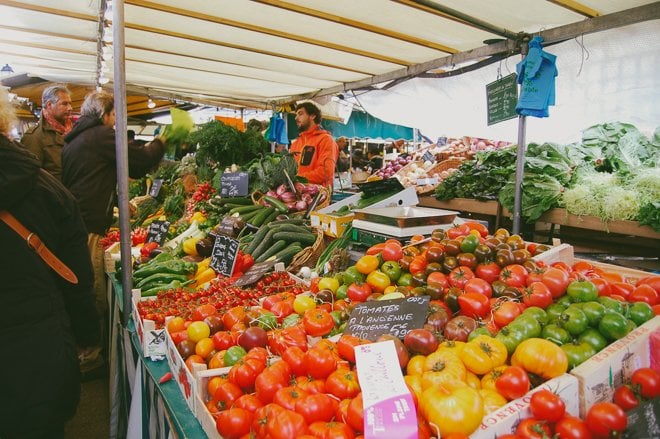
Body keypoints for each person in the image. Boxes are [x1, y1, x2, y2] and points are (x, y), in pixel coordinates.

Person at [0, 87, 100, 438]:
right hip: (37, 352)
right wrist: (88, 335)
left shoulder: (62, 147)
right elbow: (76, 278)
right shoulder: (48, 190)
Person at [62, 91, 165, 370]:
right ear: (105, 114)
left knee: (83, 283)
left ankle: (87, 346)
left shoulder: (74, 140)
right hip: (89, 225)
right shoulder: (101, 136)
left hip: (76, 222)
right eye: (113, 115)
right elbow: (140, 160)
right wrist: (161, 141)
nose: (115, 122)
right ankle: (92, 354)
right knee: (93, 285)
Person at [21, 84, 73, 180]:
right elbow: (30, 175)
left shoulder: (73, 131)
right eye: (64, 104)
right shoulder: (35, 136)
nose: (70, 108)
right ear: (49, 105)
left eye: (70, 103)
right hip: (53, 193)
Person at [289, 102, 338, 187]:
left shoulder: (326, 140)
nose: (296, 118)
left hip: (319, 196)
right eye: (295, 115)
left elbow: (325, 172)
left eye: (300, 114)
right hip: (297, 194)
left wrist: (296, 179)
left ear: (312, 116)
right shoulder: (295, 144)